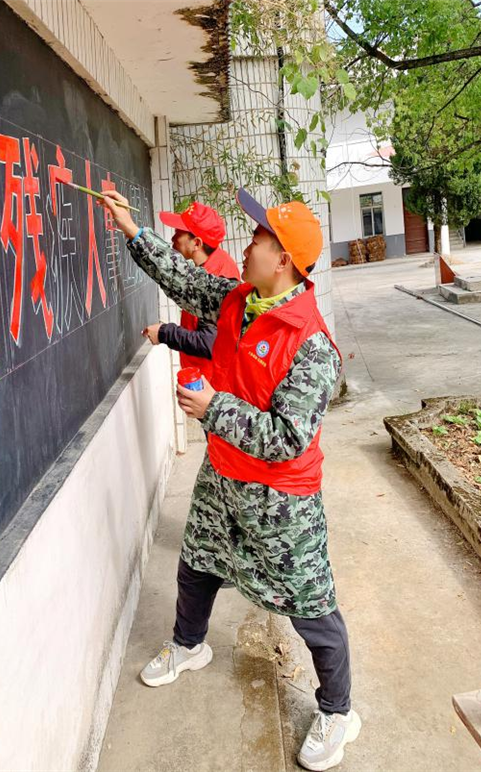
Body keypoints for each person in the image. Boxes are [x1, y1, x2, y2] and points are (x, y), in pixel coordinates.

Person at [101, 187, 361, 772]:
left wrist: (214, 408)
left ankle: (337, 710)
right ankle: (189, 645)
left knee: (309, 606)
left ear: (284, 260)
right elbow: (184, 279)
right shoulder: (238, 298)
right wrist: (131, 228)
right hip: (222, 474)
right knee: (197, 562)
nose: (247, 245)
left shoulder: (312, 346)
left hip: (281, 499)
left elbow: (286, 436)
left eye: (259, 237)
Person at [142, 202, 240, 382]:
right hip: (199, 373)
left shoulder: (219, 277)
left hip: (207, 381)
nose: (173, 237)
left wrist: (164, 333)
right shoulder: (213, 264)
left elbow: (209, 342)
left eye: (179, 233)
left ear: (196, 243)